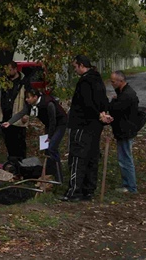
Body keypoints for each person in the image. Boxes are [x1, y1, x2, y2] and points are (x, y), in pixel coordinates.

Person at [61, 55, 109, 202]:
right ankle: (89, 190)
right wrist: (103, 114)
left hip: (82, 125)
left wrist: (98, 115)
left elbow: (88, 104)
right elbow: (103, 101)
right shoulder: (97, 79)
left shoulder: (85, 81)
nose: (75, 69)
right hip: (95, 126)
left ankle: (75, 191)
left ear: (82, 65)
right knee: (91, 157)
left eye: (75, 66)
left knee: (78, 157)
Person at [1, 88, 67, 182]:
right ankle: (49, 174)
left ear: (35, 97)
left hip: (59, 124)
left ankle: (59, 177)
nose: (26, 100)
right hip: (49, 125)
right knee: (47, 150)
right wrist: (9, 122)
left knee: (52, 147)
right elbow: (21, 113)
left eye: (28, 98)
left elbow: (53, 121)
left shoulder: (48, 104)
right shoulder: (30, 105)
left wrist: (50, 136)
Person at [106, 70, 139, 193]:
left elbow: (114, 109)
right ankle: (128, 184)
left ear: (121, 81)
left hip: (125, 131)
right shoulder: (123, 92)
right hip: (124, 129)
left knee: (125, 159)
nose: (111, 83)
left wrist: (113, 101)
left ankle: (131, 187)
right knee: (124, 158)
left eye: (113, 81)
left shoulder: (126, 95)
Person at [0, 61, 30, 159]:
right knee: (8, 141)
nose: (8, 72)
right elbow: (0, 97)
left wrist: (27, 114)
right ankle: (11, 162)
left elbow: (29, 100)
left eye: (9, 70)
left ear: (15, 69)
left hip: (18, 117)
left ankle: (22, 163)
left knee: (19, 142)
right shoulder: (5, 81)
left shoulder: (24, 82)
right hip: (5, 116)